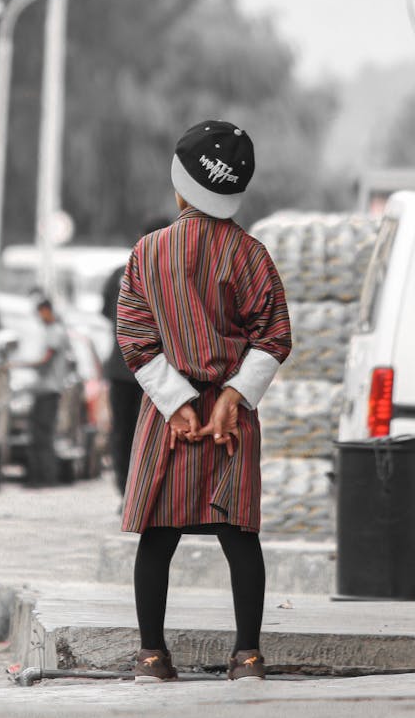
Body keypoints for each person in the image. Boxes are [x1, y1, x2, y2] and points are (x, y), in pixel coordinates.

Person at [116, 120, 291, 682]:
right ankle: (247, 654)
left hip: (169, 417)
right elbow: (274, 336)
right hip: (230, 421)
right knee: (239, 536)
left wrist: (177, 403)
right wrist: (233, 398)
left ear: (179, 187)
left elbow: (135, 338)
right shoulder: (253, 255)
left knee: (158, 536)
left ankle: (151, 655)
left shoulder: (148, 252)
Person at [101, 218, 171, 497]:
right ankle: (151, 493)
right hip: (161, 371)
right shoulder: (175, 275)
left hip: (122, 368)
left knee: (124, 432)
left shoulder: (119, 273)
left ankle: (127, 492)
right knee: (157, 434)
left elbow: (108, 315)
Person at [15, 297, 70, 488]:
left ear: (46, 310)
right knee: (39, 435)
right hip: (44, 391)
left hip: (48, 391)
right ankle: (40, 477)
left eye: (39, 312)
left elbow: (46, 360)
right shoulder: (52, 331)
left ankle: (44, 478)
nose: (38, 317)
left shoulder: (55, 331)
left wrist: (19, 364)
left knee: (42, 436)